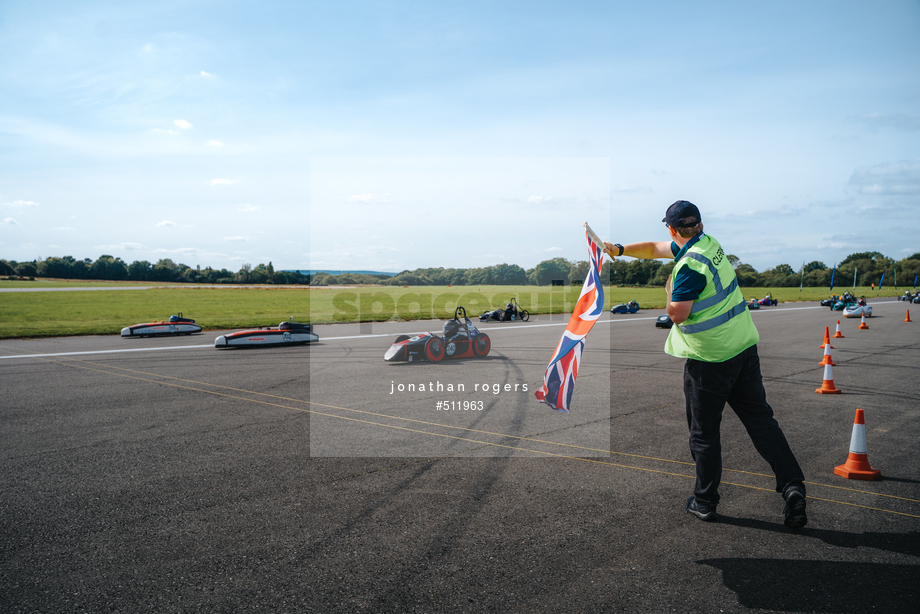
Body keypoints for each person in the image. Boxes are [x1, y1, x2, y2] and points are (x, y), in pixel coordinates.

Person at [603, 200, 807, 528]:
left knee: (704, 433)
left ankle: (705, 499)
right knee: (761, 422)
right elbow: (656, 248)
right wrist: (620, 248)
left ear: (672, 228)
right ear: (697, 224)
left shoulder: (687, 269)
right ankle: (792, 486)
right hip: (743, 347)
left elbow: (676, 314)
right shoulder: (708, 244)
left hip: (710, 360)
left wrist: (668, 290)